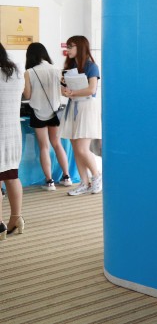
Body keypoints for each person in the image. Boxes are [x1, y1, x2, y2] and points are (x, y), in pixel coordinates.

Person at [22, 42, 72, 190]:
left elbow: (27, 95)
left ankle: (49, 182)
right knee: (57, 144)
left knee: (44, 146)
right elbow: (64, 91)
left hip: (38, 112)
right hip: (54, 112)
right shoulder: (57, 70)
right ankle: (67, 177)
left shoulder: (29, 72)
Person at [60, 36, 102, 196]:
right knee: (76, 149)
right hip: (73, 107)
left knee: (82, 148)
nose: (68, 50)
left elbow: (92, 89)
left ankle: (97, 176)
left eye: (71, 46)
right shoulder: (69, 66)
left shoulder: (91, 66)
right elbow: (63, 89)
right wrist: (65, 91)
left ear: (80, 47)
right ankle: (84, 182)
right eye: (67, 46)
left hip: (86, 107)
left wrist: (73, 92)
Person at [0, 42, 25, 239]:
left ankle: (0, 226)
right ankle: (16, 218)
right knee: (12, 176)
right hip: (12, 135)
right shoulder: (16, 73)